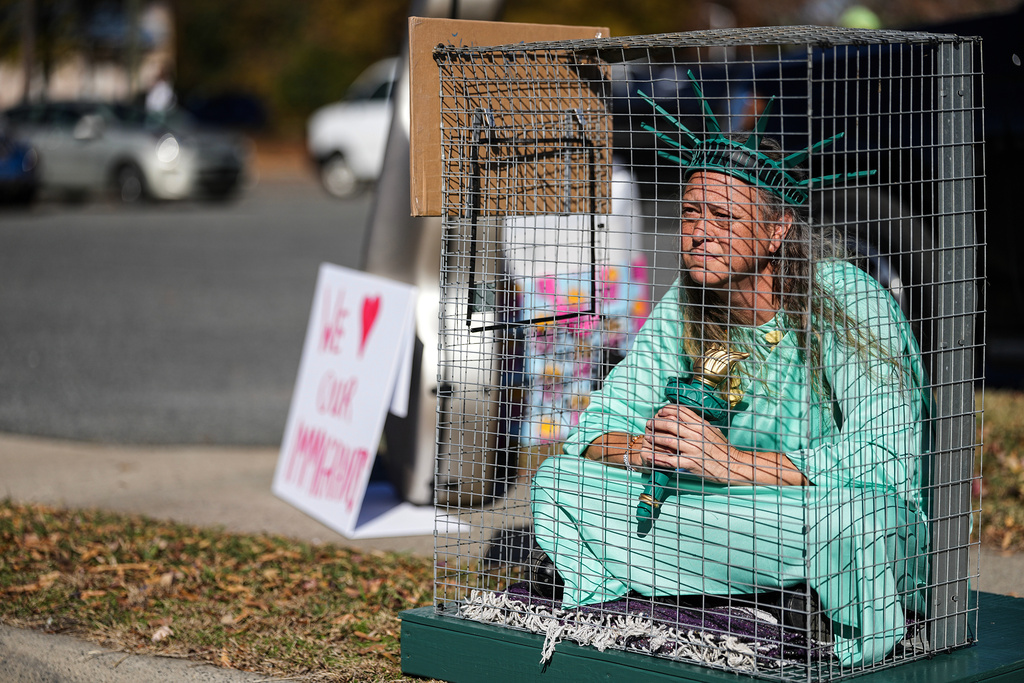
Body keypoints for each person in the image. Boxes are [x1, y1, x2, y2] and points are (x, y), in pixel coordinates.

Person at [529, 92, 931, 667]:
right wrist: (645, 450)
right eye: (691, 213)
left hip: (827, 516)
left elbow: (887, 458)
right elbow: (597, 426)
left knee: (856, 524)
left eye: (724, 217)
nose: (699, 233)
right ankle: (643, 613)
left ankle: (843, 638)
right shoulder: (684, 303)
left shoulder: (848, 299)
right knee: (560, 486)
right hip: (732, 514)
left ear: (776, 231)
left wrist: (731, 464)